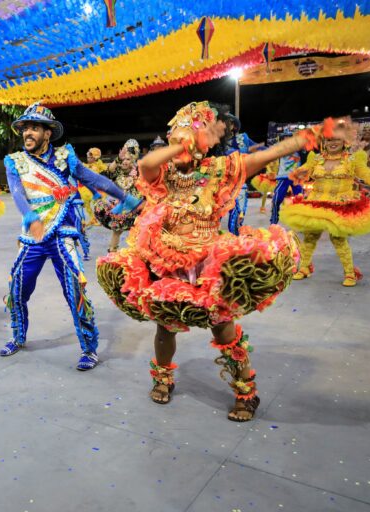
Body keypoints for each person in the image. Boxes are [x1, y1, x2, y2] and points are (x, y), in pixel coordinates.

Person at [96, 101, 337, 421]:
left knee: (223, 330)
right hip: (166, 266)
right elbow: (147, 163)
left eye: (186, 140)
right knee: (165, 328)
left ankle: (246, 392)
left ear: (205, 144)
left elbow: (267, 155)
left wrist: (309, 136)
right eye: (173, 140)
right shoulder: (164, 175)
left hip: (207, 267)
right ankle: (163, 379)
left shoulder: (220, 171)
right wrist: (182, 145)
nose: (177, 146)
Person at [0, 102, 141, 370]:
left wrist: (126, 198)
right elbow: (17, 193)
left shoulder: (66, 157)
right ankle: (18, 336)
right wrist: (30, 217)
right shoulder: (15, 161)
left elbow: (94, 179)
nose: (27, 133)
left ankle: (89, 348)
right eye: (25, 128)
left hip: (62, 234)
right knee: (17, 288)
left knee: (75, 291)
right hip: (32, 237)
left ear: (47, 133)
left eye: (34, 128)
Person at [280, 122, 370, 287]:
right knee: (310, 237)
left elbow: (366, 175)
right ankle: (304, 267)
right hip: (316, 203)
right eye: (329, 140)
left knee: (338, 239)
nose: (332, 143)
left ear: (344, 141)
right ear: (324, 142)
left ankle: (350, 273)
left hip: (339, 204)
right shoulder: (316, 159)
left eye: (336, 139)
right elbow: (302, 171)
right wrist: (298, 172)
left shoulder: (352, 160)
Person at [93, 139, 142, 252]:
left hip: (137, 208)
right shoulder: (117, 171)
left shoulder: (139, 171)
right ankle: (112, 253)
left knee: (139, 231)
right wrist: (118, 159)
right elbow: (107, 173)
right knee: (117, 230)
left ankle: (137, 254)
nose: (125, 161)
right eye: (123, 159)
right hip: (120, 207)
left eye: (128, 159)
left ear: (133, 160)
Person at [222, 114, 264, 235]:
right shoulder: (216, 141)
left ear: (234, 126)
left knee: (238, 215)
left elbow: (259, 148)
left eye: (227, 122)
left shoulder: (243, 139)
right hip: (221, 183)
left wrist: (276, 151)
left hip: (239, 183)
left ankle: (235, 240)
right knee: (214, 216)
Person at [268, 131, 303, 224]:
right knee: (276, 200)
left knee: (301, 200)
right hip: (284, 177)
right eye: (285, 139)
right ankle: (273, 222)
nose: (287, 140)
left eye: (289, 138)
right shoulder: (280, 149)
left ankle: (301, 222)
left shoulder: (298, 148)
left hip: (296, 177)